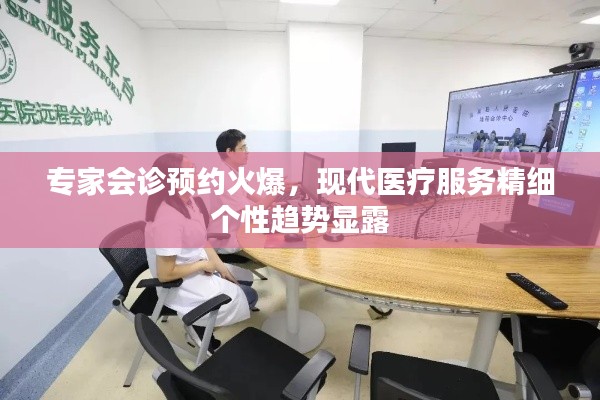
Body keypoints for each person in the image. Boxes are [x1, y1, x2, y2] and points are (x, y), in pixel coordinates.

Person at [144, 153, 258, 347]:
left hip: (196, 265)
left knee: (245, 278)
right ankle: (197, 329)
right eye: (192, 170)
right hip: (181, 284)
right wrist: (203, 265)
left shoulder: (188, 201)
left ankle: (206, 319)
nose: (199, 174)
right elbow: (165, 274)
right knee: (250, 296)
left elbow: (202, 240)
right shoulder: (168, 220)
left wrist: (221, 268)